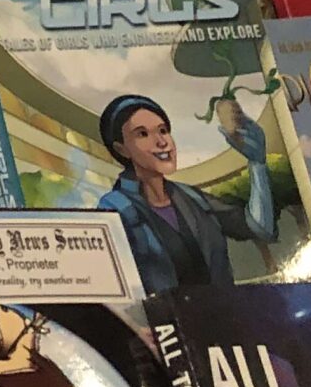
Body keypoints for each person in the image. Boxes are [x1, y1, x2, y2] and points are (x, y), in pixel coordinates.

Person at [94, 92, 276, 295]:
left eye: (163, 130)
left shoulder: (192, 197)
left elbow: (261, 228)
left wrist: (257, 164)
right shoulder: (115, 210)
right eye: (142, 134)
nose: (161, 142)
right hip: (166, 324)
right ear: (121, 149)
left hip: (225, 317)